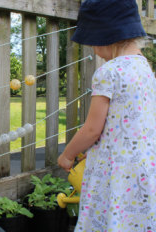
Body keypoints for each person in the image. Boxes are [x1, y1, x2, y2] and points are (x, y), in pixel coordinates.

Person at [57, 0, 156, 231]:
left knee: (109, 218)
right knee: (133, 221)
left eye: (93, 42)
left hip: (115, 171)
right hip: (144, 168)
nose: (93, 49)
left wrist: (68, 155)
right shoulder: (146, 69)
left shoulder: (108, 72)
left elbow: (92, 129)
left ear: (108, 35)